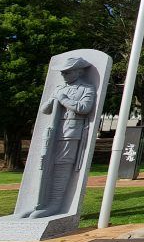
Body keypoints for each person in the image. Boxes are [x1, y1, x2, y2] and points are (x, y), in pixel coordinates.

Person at [19, 56, 96, 219]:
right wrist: (55, 98)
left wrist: (64, 99)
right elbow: (45, 109)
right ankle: (38, 203)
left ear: (78, 71)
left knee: (62, 166)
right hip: (53, 132)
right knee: (45, 165)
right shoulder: (59, 88)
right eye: (62, 72)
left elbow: (84, 108)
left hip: (71, 133)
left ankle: (55, 203)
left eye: (67, 72)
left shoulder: (86, 88)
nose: (64, 75)